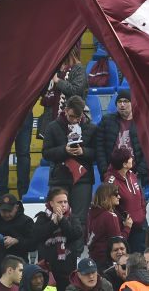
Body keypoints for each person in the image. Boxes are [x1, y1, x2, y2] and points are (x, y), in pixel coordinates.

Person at [43, 95, 96, 225]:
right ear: (66, 110)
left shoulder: (91, 128)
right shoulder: (52, 127)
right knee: (58, 218)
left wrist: (83, 151)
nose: (75, 120)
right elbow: (46, 153)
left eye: (78, 117)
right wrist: (64, 150)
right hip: (60, 178)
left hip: (83, 179)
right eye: (72, 116)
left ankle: (78, 240)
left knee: (80, 220)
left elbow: (97, 153)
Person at [31, 188, 85, 287]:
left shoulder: (72, 218)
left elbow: (76, 234)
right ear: (51, 203)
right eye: (60, 202)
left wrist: (62, 220)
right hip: (47, 270)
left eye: (65, 202)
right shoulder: (42, 217)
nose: (63, 205)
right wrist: (53, 223)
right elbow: (36, 236)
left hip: (68, 270)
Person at [0, 194, 35, 281]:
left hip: (19, 262)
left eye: (9, 211)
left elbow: (33, 244)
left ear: (16, 207)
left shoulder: (26, 221)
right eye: (3, 211)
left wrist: (17, 241)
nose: (7, 214)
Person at [39, 45, 88, 137]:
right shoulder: (53, 69)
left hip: (71, 118)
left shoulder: (79, 69)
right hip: (50, 118)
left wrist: (58, 81)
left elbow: (76, 90)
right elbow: (43, 92)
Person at [104, 148, 146, 254]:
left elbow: (141, 196)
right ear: (124, 164)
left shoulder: (131, 174)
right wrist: (124, 222)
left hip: (141, 225)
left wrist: (142, 214)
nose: (132, 159)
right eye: (130, 158)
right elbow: (110, 206)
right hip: (126, 229)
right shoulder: (111, 181)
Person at [87, 184, 132, 270]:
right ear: (107, 196)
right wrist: (127, 227)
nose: (119, 197)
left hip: (93, 259)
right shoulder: (110, 216)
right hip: (106, 261)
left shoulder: (90, 214)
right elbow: (118, 243)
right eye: (116, 194)